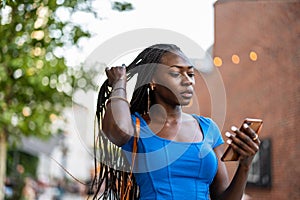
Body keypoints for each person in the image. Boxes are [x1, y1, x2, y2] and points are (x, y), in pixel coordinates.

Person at [94, 44, 261, 200]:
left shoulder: (208, 128)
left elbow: (223, 197)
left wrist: (245, 165)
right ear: (153, 81)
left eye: (190, 74)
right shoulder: (136, 126)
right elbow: (117, 128)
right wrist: (119, 83)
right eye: (175, 73)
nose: (188, 80)